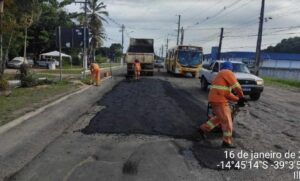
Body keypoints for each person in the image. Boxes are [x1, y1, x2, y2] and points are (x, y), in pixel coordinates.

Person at [199, 61, 245, 148]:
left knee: (219, 119)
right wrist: (242, 97)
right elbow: (237, 87)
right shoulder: (227, 72)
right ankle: (226, 142)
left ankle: (202, 129)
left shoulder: (220, 75)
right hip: (219, 100)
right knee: (227, 121)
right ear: (230, 68)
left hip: (215, 99)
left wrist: (238, 99)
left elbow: (227, 93)